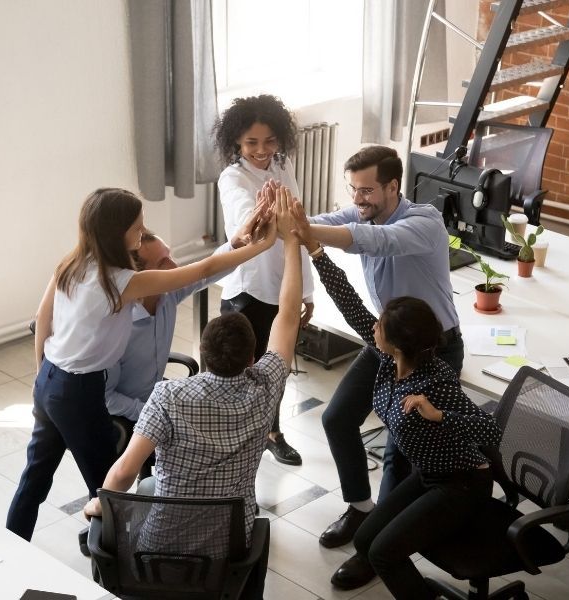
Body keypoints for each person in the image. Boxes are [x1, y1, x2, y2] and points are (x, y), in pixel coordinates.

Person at [6, 187, 274, 541]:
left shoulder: (73, 264)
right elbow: (203, 268)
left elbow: (43, 319)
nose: (142, 231)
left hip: (52, 381)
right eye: (138, 227)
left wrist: (44, 376)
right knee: (110, 488)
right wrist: (263, 246)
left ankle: (15, 541)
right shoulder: (123, 283)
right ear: (118, 233)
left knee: (36, 475)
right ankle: (110, 563)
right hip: (80, 391)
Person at [83, 187, 304, 600]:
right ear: (253, 358)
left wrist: (99, 504)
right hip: (229, 549)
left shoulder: (167, 398)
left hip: (158, 551)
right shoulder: (267, 385)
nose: (173, 266)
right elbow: (287, 315)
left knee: (148, 490)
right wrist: (291, 242)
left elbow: (126, 472)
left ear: (201, 352)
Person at [291, 202, 502, 595]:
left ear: (397, 342)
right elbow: (350, 301)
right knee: (366, 543)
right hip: (428, 475)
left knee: (384, 554)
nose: (373, 326)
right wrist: (315, 250)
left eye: (381, 324)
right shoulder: (389, 360)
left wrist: (440, 416)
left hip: (461, 484)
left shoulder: (435, 381)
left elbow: (492, 427)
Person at [308, 145, 464, 549]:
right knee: (337, 418)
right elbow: (321, 223)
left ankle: (380, 546)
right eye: (352, 190)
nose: (357, 199)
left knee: (398, 451)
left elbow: (375, 242)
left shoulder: (424, 222)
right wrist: (285, 223)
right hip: (387, 343)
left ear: (393, 186)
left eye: (366, 191)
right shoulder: (362, 212)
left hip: (434, 351)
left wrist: (304, 233)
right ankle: (362, 509)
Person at [213, 94, 316, 466]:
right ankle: (234, 439)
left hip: (283, 285)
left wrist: (306, 290)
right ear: (237, 143)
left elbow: (297, 230)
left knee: (278, 366)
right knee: (245, 371)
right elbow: (249, 227)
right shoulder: (232, 177)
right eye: (252, 142)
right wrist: (274, 212)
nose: (262, 150)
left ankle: (272, 433)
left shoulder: (282, 165)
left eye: (269, 140)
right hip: (249, 290)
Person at [104, 229, 245, 477]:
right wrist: (151, 410)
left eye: (169, 256)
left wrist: (236, 245)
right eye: (162, 262)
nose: (174, 265)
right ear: (140, 278)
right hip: (125, 413)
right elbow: (106, 398)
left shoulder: (167, 295)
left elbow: (206, 272)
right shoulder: (117, 325)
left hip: (153, 396)